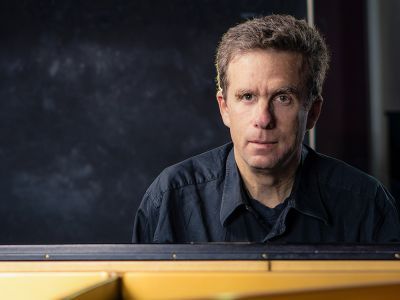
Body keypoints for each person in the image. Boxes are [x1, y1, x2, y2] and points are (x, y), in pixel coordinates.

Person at [132, 14, 400, 243]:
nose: (263, 119)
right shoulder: (171, 198)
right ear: (224, 108)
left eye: (283, 98)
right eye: (247, 97)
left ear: (313, 113)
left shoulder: (367, 204)